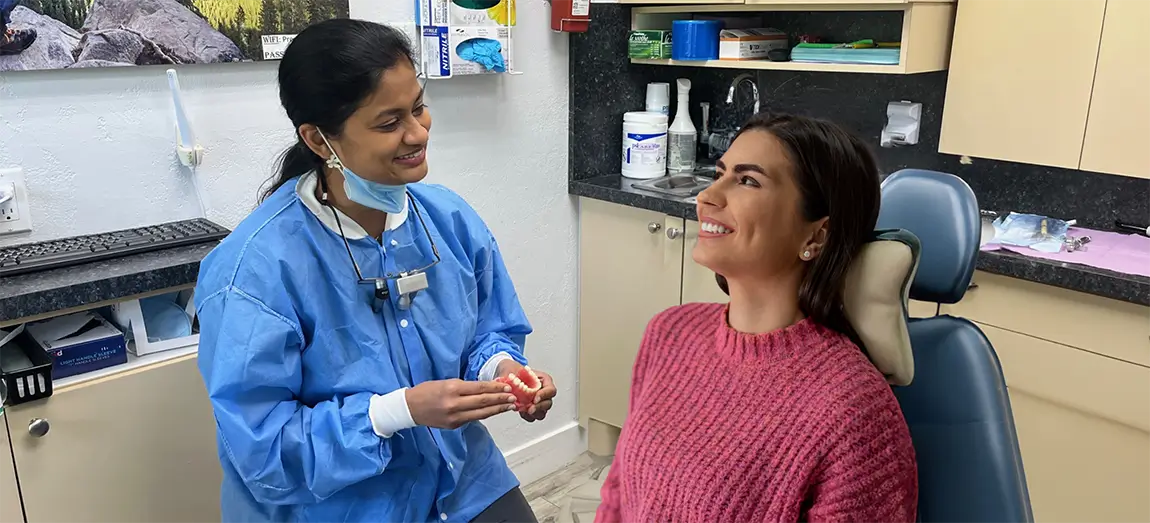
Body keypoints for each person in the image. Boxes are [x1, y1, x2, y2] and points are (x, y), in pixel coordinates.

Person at [195, 19, 556, 523]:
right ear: (319, 140)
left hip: (461, 478)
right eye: (389, 124)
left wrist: (503, 372)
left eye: (419, 107)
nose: (417, 133)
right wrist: (395, 412)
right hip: (338, 503)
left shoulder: (447, 222)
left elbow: (487, 331)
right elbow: (263, 449)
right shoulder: (254, 272)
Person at [596, 114, 917, 522]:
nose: (708, 196)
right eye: (720, 173)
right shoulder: (670, 332)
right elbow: (620, 490)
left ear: (816, 236)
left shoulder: (854, 411)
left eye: (748, 180)